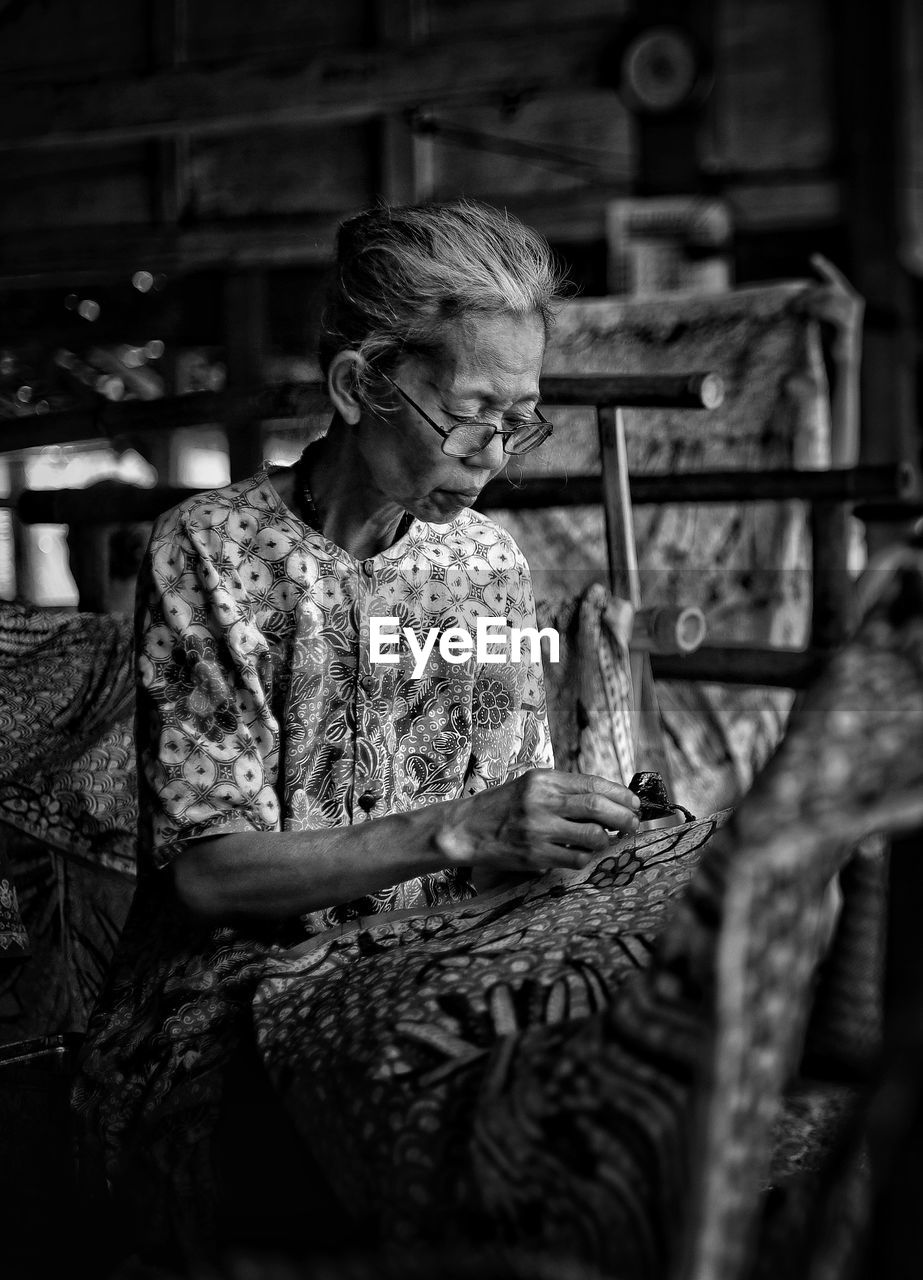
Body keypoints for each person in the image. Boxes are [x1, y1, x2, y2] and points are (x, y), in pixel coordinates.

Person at [73, 200, 642, 1259]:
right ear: (358, 385)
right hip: (235, 1006)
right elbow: (209, 877)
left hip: (434, 975)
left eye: (521, 417)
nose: (499, 453)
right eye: (472, 412)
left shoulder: (483, 565)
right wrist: (461, 828)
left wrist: (580, 835)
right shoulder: (211, 554)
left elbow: (508, 819)